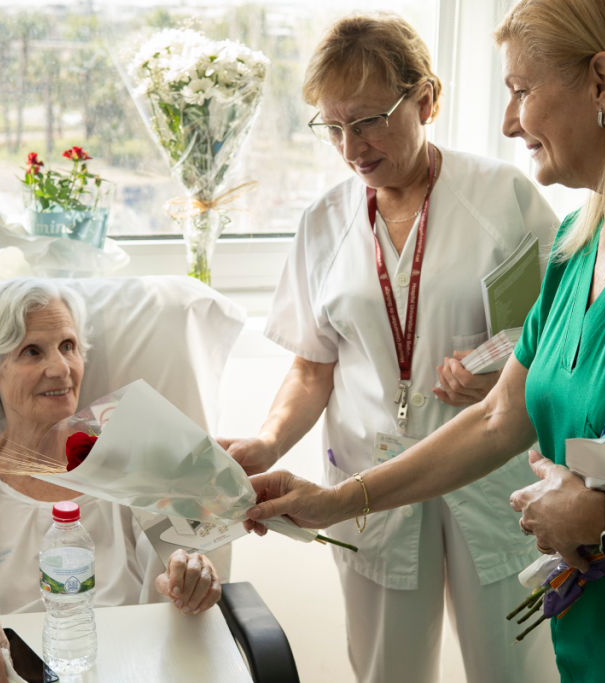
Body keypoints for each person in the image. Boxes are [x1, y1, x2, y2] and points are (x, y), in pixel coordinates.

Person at [242, 0, 605, 681]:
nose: (508, 121)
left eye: (521, 92)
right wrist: (339, 500)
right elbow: (500, 416)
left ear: (602, 82)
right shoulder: (577, 243)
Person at [218, 12, 560, 683]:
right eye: (334, 126)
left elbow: (555, 334)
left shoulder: (504, 198)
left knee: (516, 669)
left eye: (370, 119)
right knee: (384, 672)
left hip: (487, 476)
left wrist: (494, 376)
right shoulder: (324, 222)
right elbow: (312, 368)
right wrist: (266, 443)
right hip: (367, 479)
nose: (352, 146)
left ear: (426, 99)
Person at [0, 279, 224, 683]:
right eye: (32, 351)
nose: (61, 369)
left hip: (134, 663)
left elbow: (181, 559)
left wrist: (195, 574)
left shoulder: (130, 457)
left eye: (68, 346)